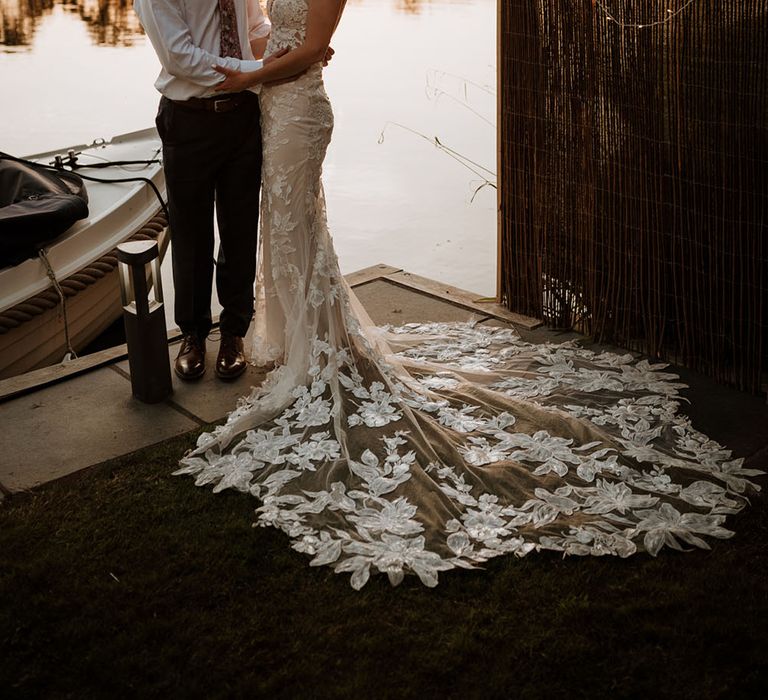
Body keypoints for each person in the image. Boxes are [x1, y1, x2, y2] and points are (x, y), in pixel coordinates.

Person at [175, 0, 763, 589]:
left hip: (300, 108)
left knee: (298, 229)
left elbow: (309, 48)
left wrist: (255, 75)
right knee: (287, 231)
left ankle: (322, 350)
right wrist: (263, 68)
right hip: (275, 106)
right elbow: (279, 36)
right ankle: (307, 340)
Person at [134, 0, 277, 380]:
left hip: (245, 116)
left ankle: (233, 333)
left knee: (240, 230)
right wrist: (261, 71)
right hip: (189, 121)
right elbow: (181, 58)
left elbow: (256, 29)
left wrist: (292, 51)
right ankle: (193, 335)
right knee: (190, 235)